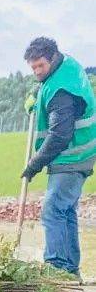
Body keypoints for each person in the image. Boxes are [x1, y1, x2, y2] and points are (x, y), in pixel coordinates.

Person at [22, 37, 96, 277]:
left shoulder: (61, 93)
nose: (37, 72)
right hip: (79, 155)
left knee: (53, 209)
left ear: (52, 58)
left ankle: (56, 268)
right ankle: (70, 269)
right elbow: (48, 85)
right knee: (65, 211)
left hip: (71, 156)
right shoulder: (64, 68)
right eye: (33, 68)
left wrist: (33, 165)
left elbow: (59, 136)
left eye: (40, 66)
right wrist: (37, 93)